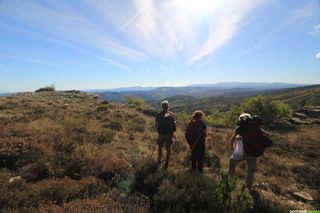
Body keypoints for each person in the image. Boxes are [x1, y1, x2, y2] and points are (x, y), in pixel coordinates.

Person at [228, 113, 271, 188]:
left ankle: (229, 182)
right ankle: (248, 186)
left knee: (232, 162)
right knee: (250, 171)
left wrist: (233, 150)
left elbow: (232, 140)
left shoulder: (239, 128)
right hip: (254, 153)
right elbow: (269, 135)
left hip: (243, 153)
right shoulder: (256, 128)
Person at [155, 100, 176, 170]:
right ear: (168, 106)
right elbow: (174, 125)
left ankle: (159, 160)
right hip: (169, 135)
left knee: (160, 147)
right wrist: (172, 132)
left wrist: (158, 131)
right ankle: (166, 163)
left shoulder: (159, 114)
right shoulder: (171, 114)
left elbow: (156, 124)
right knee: (168, 149)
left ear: (162, 107)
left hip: (161, 134)